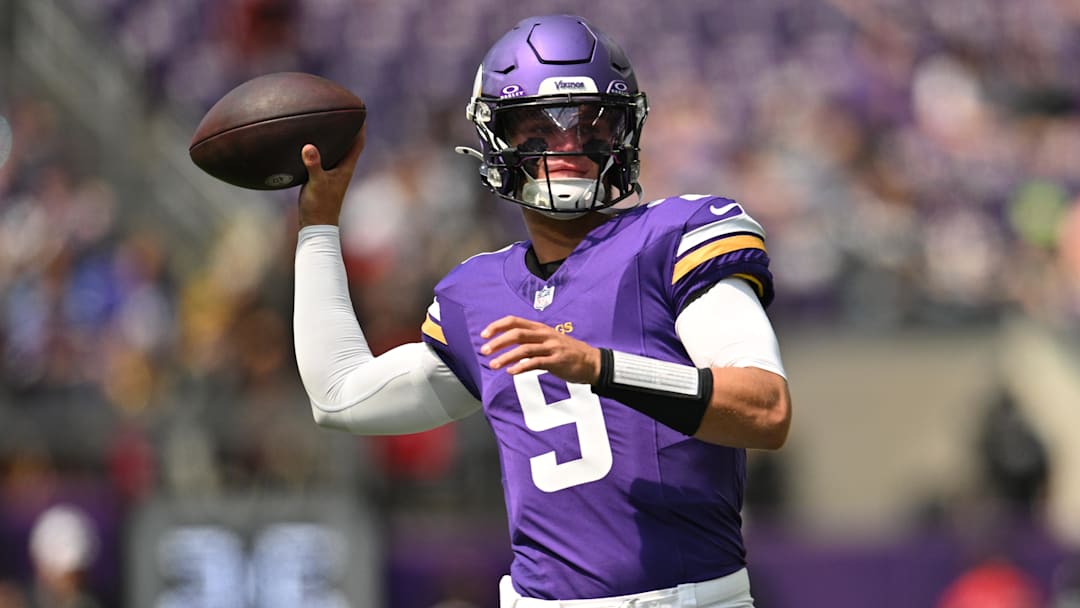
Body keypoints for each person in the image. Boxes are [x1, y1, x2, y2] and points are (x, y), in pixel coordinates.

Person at [293, 14, 791, 608]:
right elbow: (340, 396)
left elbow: (765, 411)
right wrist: (318, 227)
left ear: (625, 134)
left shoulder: (675, 237)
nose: (569, 148)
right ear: (497, 142)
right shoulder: (475, 292)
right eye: (538, 131)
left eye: (592, 127)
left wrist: (601, 367)